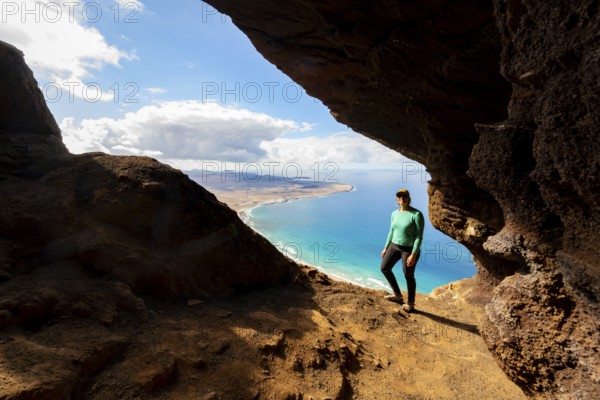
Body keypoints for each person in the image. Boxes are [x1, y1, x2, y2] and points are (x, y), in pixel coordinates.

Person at [380, 189, 424, 312]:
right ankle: (397, 295)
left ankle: (410, 303)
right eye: (399, 197)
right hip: (394, 246)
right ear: (397, 200)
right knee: (384, 268)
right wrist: (385, 247)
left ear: (409, 198)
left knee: (408, 275)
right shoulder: (394, 213)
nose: (402, 198)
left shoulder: (416, 215)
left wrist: (413, 254)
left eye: (404, 196)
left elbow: (419, 237)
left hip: (409, 249)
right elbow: (391, 231)